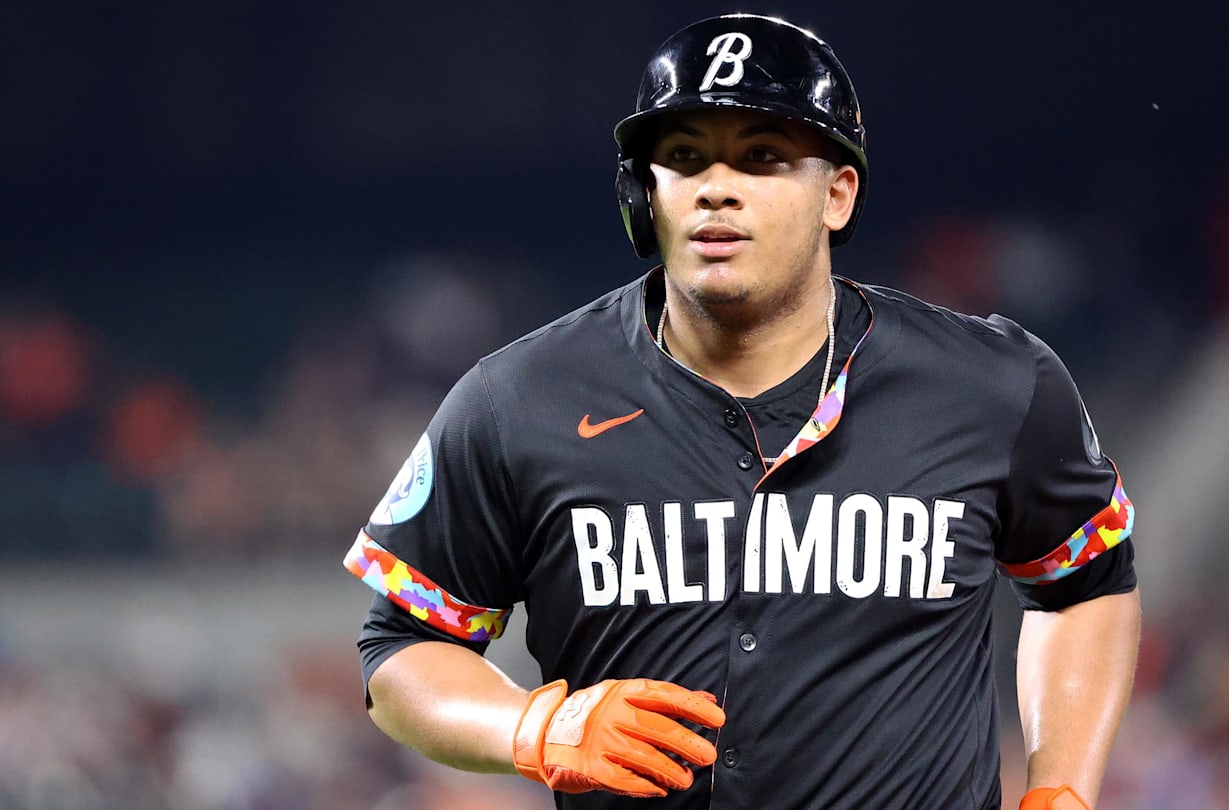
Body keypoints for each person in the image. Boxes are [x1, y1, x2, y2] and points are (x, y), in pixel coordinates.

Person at [344, 12, 1141, 810]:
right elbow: (401, 651)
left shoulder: (991, 384)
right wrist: (533, 728)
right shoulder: (517, 401)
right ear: (644, 196)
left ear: (837, 194)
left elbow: (1087, 582)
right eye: (684, 157)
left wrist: (1063, 786)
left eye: (761, 156)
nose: (716, 186)